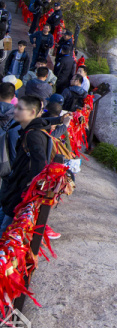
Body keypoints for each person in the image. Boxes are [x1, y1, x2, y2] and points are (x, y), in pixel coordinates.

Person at [0, 97, 49, 238]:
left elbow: (40, 167)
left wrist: (27, 195)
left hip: (18, 193)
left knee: (4, 230)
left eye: (20, 108)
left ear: (32, 112)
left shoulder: (33, 135)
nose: (15, 111)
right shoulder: (27, 130)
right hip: (12, 189)